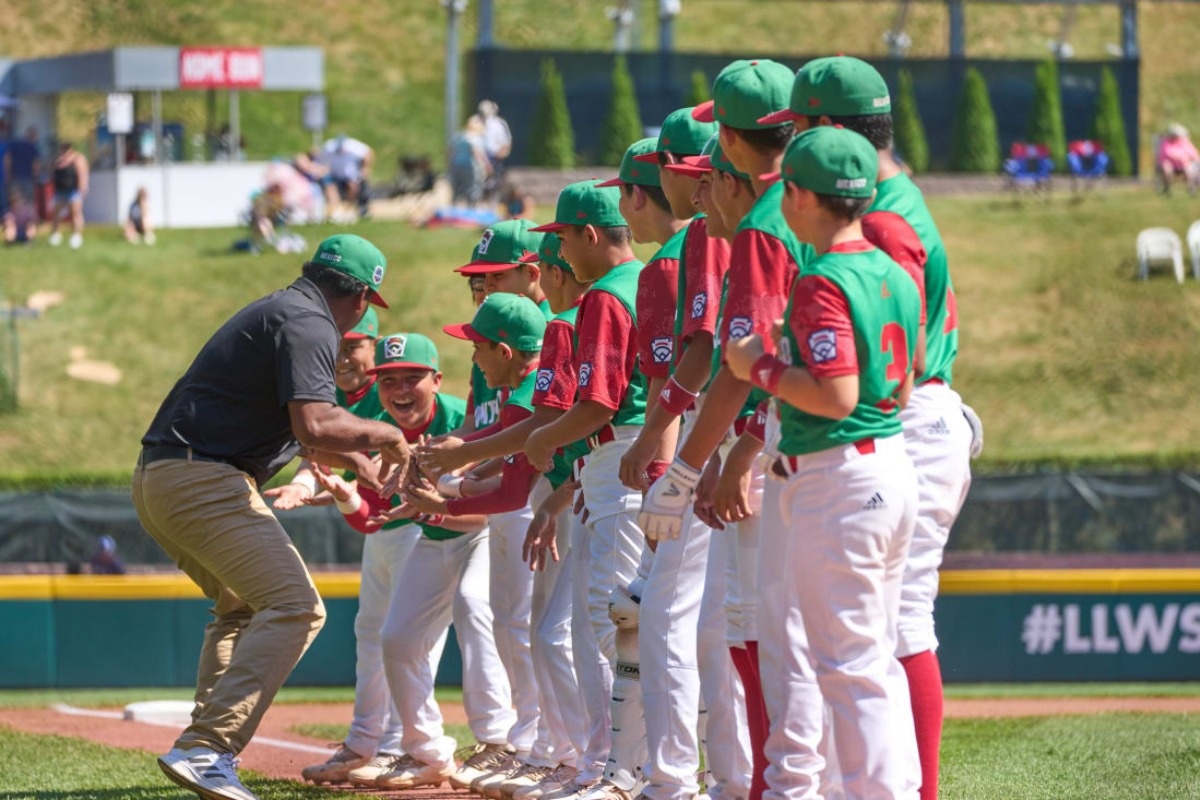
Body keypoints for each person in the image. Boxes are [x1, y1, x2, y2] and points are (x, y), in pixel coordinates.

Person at [759, 56, 975, 800]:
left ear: (825, 130)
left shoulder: (881, 223)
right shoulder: (891, 202)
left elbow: (859, 379)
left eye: (799, 133)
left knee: (881, 641)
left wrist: (761, 371)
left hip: (884, 426)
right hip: (897, 420)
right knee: (874, 643)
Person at [132, 233, 412, 800]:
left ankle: (202, 746)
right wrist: (385, 434)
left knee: (241, 605)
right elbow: (313, 425)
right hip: (201, 477)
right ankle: (207, 749)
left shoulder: (286, 309)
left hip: (163, 476)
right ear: (359, 296)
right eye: (366, 304)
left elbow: (305, 432)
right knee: (296, 607)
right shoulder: (311, 323)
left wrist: (357, 458)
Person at [725, 125, 923, 800]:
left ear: (803, 197)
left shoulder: (821, 278)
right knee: (874, 661)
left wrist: (764, 366)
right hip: (891, 463)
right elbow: (905, 377)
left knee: (846, 666)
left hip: (842, 478)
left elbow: (836, 396)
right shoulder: (893, 268)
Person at [314, 331, 517, 792]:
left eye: (413, 378)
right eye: (388, 381)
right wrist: (349, 497)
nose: (401, 390)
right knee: (396, 636)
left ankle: (498, 743)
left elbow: (490, 485)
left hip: (479, 531)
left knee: (474, 609)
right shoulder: (381, 426)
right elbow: (372, 516)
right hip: (433, 534)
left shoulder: (454, 419)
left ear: (436, 379)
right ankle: (425, 752)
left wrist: (439, 498)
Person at [523, 180, 649, 800]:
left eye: (565, 237)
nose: (561, 254)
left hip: (620, 455)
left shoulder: (603, 295)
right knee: (637, 620)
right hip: (645, 453)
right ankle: (631, 765)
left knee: (618, 622)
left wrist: (541, 442)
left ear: (592, 235)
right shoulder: (651, 278)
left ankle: (633, 767)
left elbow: (598, 403)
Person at [322, 134, 374, 221]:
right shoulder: (329, 146)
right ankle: (336, 210)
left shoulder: (354, 146)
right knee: (330, 187)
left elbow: (369, 153)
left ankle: (348, 209)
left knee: (353, 187)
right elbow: (319, 156)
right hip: (335, 175)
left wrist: (365, 168)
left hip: (351, 176)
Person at [47, 140, 88, 250]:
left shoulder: (77, 159)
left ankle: (76, 235)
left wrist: (82, 189)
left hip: (73, 191)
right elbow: (51, 171)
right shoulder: (57, 159)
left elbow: (82, 174)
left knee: (75, 213)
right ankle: (55, 235)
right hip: (59, 190)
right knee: (56, 213)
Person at [449, 117, 492, 208]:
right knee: (473, 189)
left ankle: (454, 209)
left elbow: (451, 152)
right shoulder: (475, 138)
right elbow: (477, 153)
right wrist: (487, 166)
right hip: (471, 167)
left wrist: (450, 165)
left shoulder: (458, 136)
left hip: (456, 166)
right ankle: (471, 209)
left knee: (457, 189)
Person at [478, 99, 513, 193]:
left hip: (495, 157)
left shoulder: (499, 124)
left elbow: (506, 141)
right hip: (479, 157)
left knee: (494, 184)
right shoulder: (476, 122)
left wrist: (501, 154)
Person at [1156, 123, 1200, 196]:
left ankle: (1191, 188)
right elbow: (1167, 153)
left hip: (1183, 165)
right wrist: (1181, 157)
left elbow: (1193, 153)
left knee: (1189, 170)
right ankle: (1167, 188)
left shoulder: (1184, 142)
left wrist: (1196, 159)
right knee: (1167, 170)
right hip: (1170, 165)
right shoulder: (1166, 142)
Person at [5, 125, 41, 206]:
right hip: (27, 178)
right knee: (28, 200)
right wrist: (36, 176)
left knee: (14, 199)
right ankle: (28, 217)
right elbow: (36, 164)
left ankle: (15, 217)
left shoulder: (15, 144)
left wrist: (8, 174)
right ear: (33, 136)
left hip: (15, 176)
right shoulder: (33, 147)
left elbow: (7, 159)